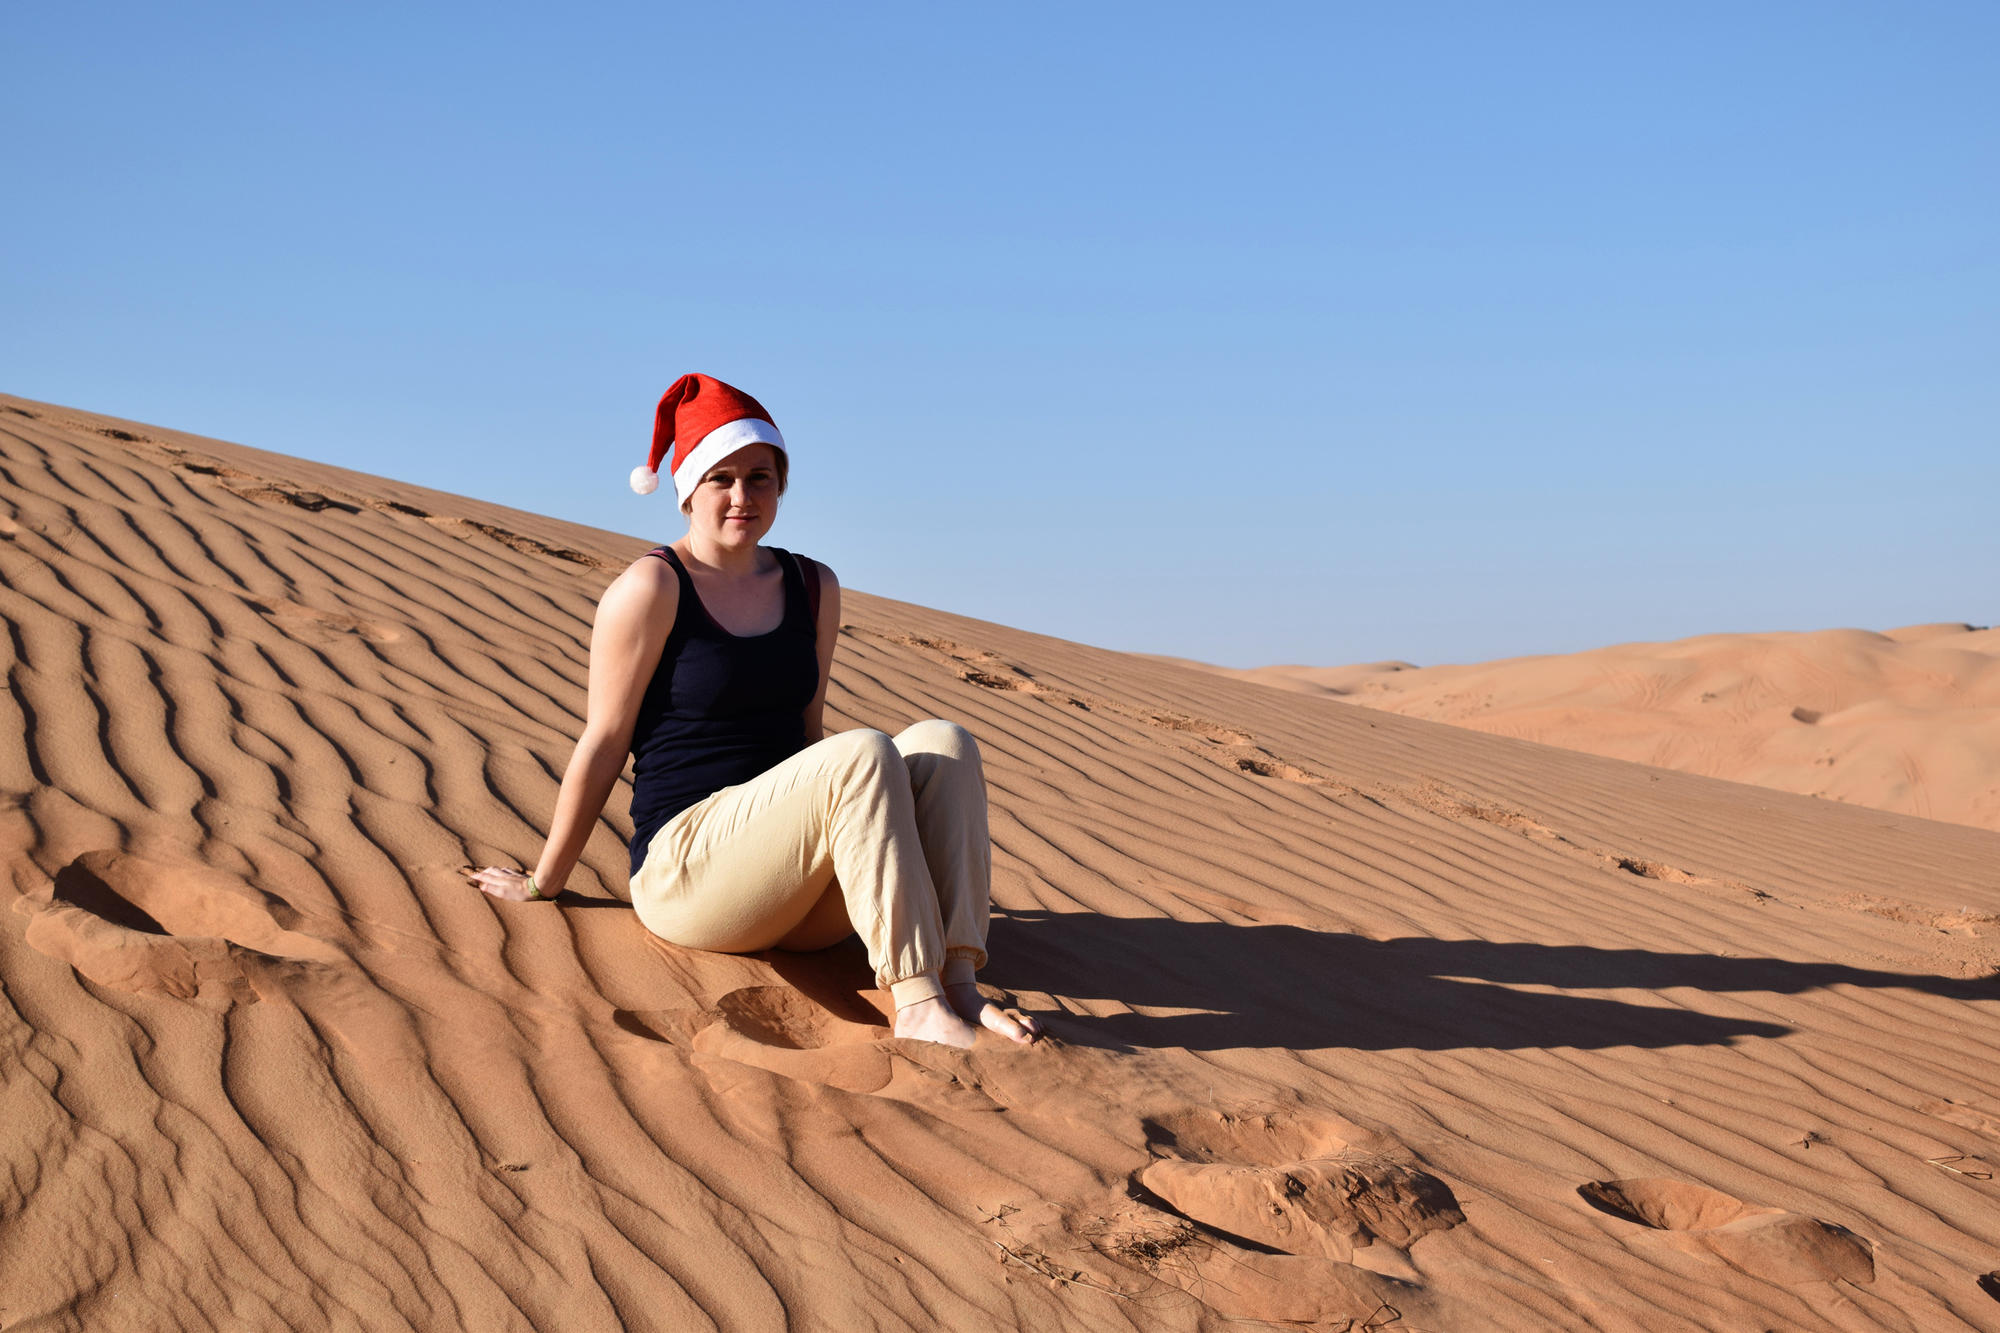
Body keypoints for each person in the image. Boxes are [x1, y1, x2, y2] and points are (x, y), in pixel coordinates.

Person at [460, 373, 1040, 1049]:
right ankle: (915, 1002)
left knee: (945, 741)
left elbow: (808, 733)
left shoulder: (812, 584)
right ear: (688, 489)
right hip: (690, 875)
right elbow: (605, 740)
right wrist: (543, 881)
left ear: (781, 485)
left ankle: (959, 984)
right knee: (864, 751)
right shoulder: (651, 586)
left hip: (787, 887)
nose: (742, 496)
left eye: (760, 477)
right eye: (721, 478)